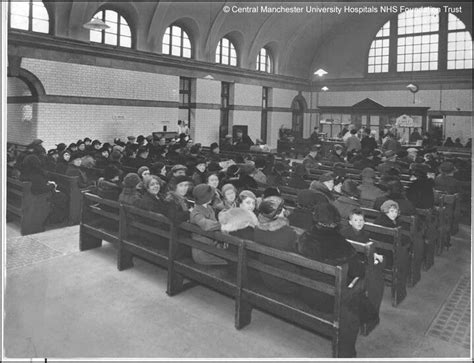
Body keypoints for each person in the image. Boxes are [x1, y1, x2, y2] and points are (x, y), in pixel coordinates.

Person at [297, 203, 370, 358]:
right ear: (334, 222)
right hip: (329, 300)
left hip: (305, 291)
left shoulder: (304, 237)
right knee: (360, 285)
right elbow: (359, 271)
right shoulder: (341, 243)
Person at [254, 196, 300, 294]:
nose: (284, 210)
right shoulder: (288, 232)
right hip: (286, 280)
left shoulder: (257, 230)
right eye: (280, 210)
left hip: (265, 275)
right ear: (276, 215)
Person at [190, 184, 227, 265]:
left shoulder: (209, 208)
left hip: (212, 247)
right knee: (230, 261)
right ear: (205, 198)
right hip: (202, 251)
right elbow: (206, 225)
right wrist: (223, 224)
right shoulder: (196, 212)